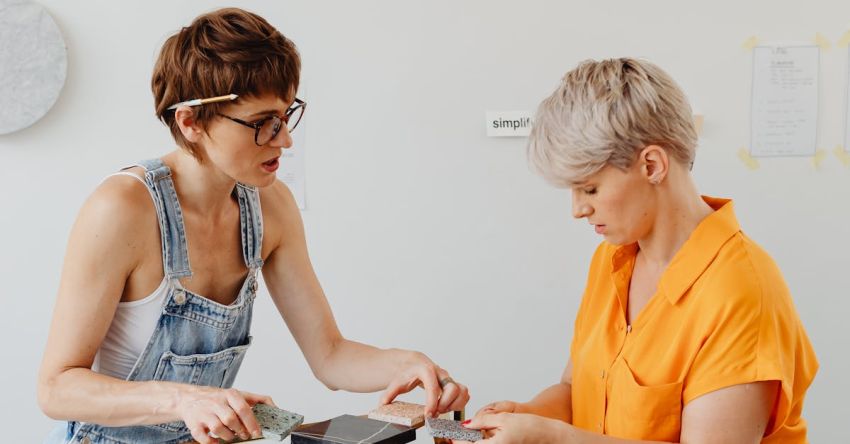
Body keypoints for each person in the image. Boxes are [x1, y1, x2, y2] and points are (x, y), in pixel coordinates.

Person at [37, 8, 468, 444]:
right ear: (191, 122)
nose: (284, 140)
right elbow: (56, 387)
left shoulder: (270, 206)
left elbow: (330, 355)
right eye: (262, 123)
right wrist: (185, 400)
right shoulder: (122, 208)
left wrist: (409, 365)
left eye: (285, 116)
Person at [460, 58, 818, 443]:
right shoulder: (612, 259)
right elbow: (576, 389)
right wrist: (530, 415)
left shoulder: (742, 292)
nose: (577, 209)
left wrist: (553, 438)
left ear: (652, 165)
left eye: (590, 189)